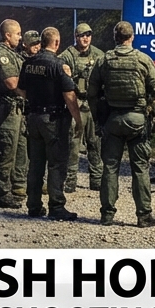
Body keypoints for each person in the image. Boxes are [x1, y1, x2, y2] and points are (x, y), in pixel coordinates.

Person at [87, 21, 155, 227]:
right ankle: (143, 215)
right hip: (138, 120)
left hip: (113, 120)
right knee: (140, 168)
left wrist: (98, 120)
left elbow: (92, 93)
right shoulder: (143, 59)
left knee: (110, 167)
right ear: (132, 37)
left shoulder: (104, 60)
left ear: (115, 38)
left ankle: (107, 215)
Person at [19, 27, 82, 221]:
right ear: (56, 43)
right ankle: (56, 206)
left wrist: (35, 100)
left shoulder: (28, 64)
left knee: (36, 163)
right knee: (56, 163)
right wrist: (78, 120)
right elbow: (69, 95)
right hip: (53, 120)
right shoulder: (58, 65)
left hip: (34, 118)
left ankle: (34, 205)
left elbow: (20, 89)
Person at [0, 19, 28, 209]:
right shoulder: (0, 54)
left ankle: (13, 189)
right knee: (6, 151)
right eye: (17, 33)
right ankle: (1, 194)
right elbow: (12, 83)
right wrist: (32, 93)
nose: (20, 36)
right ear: (7, 35)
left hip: (16, 108)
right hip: (6, 108)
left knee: (19, 149)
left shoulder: (13, 53)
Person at [60, 23, 105, 193]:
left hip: (93, 104)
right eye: (81, 35)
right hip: (75, 103)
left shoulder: (99, 55)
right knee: (73, 144)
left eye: (88, 35)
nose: (85, 38)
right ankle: (70, 180)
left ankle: (97, 180)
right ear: (75, 37)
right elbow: (59, 72)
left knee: (95, 142)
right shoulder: (68, 55)